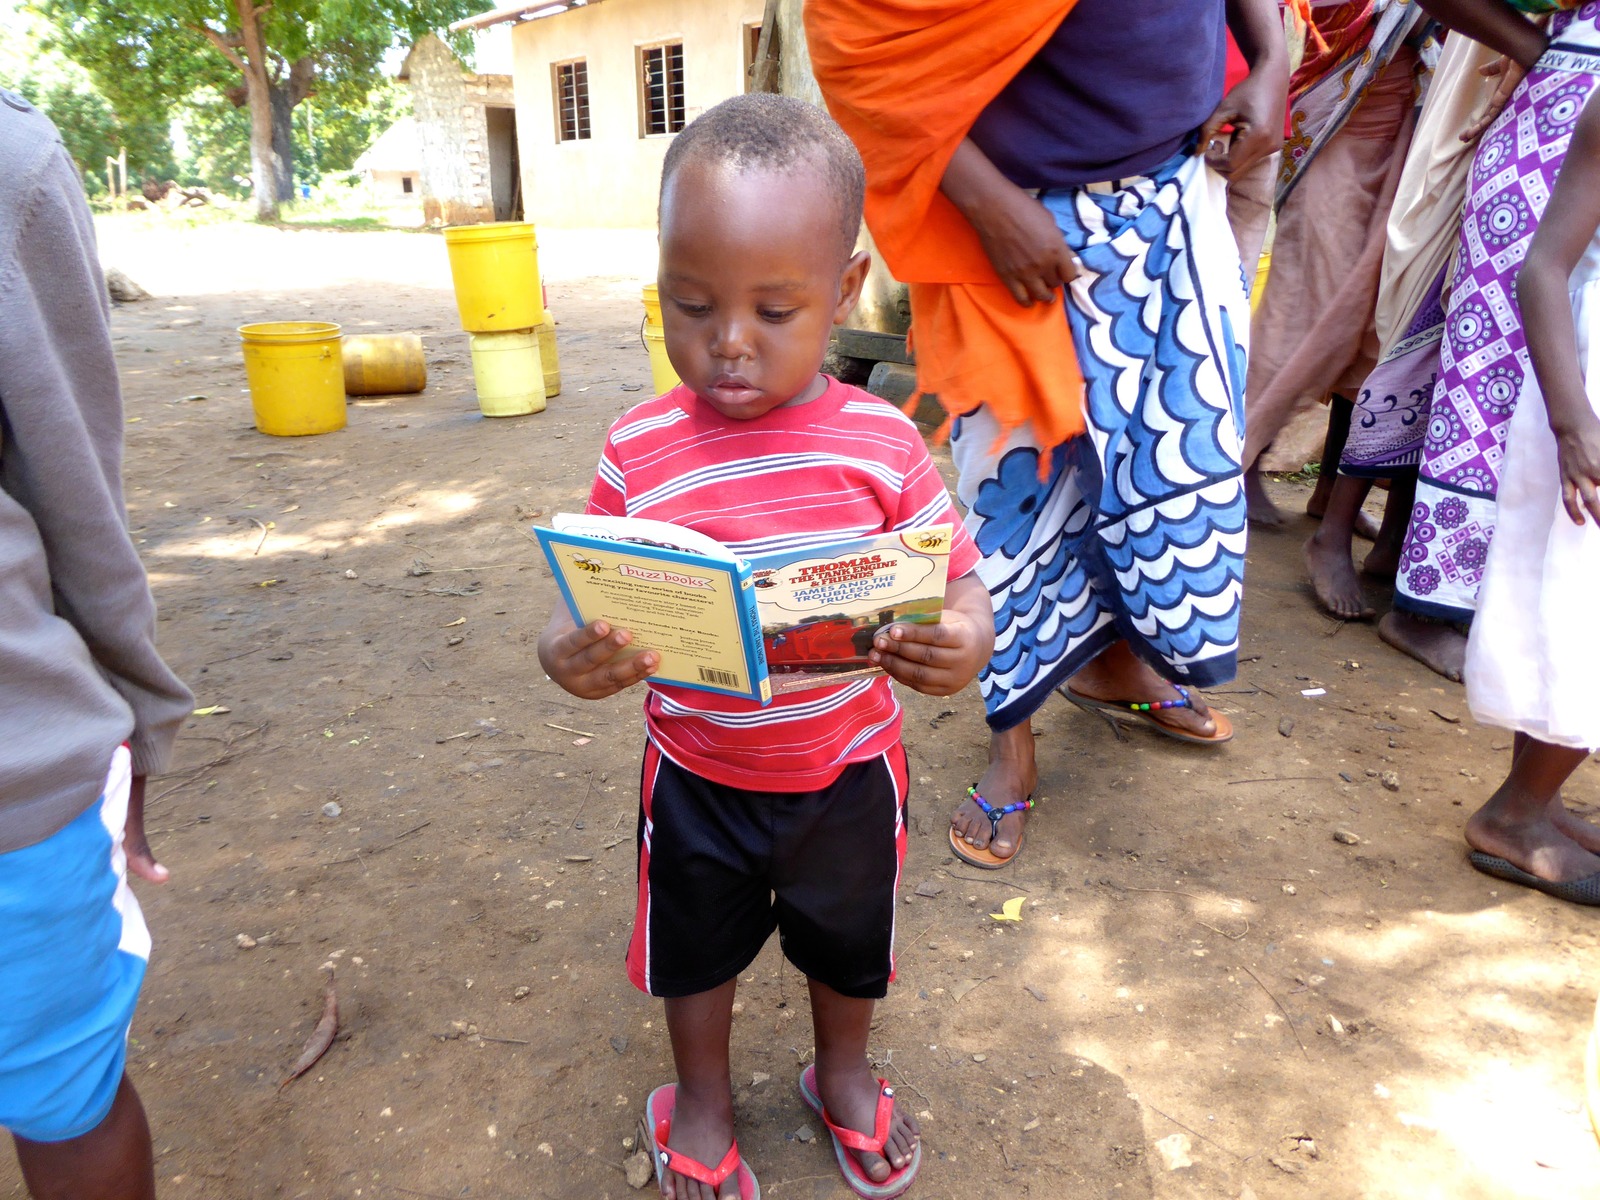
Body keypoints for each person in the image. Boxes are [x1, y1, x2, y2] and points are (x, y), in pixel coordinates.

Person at [537, 94, 992, 1200]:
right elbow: (579, 596)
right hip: (695, 774)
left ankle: (842, 1071)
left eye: (774, 309)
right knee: (693, 951)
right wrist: (569, 651)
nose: (728, 341)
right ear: (660, 287)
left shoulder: (885, 443)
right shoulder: (639, 448)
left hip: (845, 771)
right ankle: (697, 1096)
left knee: (848, 944)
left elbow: (961, 578)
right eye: (692, 305)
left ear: (841, 294)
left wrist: (964, 640)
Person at [807, 0, 1288, 867]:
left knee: (1158, 470)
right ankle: (1012, 737)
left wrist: (1273, 58)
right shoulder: (998, 214)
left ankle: (1117, 665)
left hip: (1179, 201)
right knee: (1014, 492)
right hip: (1014, 229)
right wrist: (985, 200)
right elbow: (855, 39)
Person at [0, 91, 193, 1199]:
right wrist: (135, 724)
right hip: (18, 784)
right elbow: (78, 502)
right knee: (66, 1098)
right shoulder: (13, 160)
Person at [1373, 0, 1582, 681]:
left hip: (1566, 151)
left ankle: (1519, 607)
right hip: (1543, 164)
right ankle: (1428, 609)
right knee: (1488, 387)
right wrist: (1538, 46)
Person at [1242, 1, 1438, 621]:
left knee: (1374, 327)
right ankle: (1238, 459)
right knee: (1300, 315)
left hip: (1405, 133)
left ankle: (1330, 493)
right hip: (1337, 128)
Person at [1457, 66, 1600, 904]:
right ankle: (1515, 814)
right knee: (1582, 603)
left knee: (1571, 600)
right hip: (1586, 393)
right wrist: (1575, 422)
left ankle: (1534, 801)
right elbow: (1543, 268)